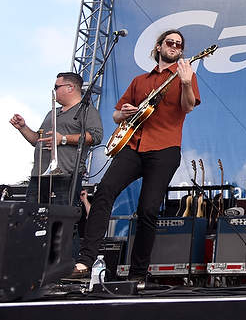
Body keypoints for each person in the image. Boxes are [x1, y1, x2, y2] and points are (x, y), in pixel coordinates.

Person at [72, 30, 200, 282]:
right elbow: (116, 115)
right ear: (159, 46)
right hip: (132, 146)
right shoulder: (139, 80)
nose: (175, 47)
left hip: (164, 148)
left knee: (148, 209)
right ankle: (85, 261)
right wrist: (124, 113)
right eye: (170, 42)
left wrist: (186, 83)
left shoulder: (185, 76)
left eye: (179, 45)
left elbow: (187, 107)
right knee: (104, 192)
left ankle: (138, 274)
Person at [9, 72, 103, 206]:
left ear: (70, 87)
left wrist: (63, 139)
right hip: (38, 176)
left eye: (57, 87)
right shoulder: (52, 113)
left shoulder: (87, 110)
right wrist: (23, 127)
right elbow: (37, 140)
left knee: (60, 216)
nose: (54, 91)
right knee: (31, 215)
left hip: (65, 176)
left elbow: (96, 136)